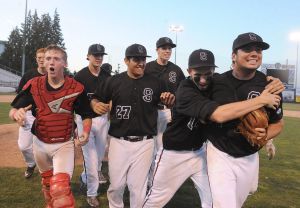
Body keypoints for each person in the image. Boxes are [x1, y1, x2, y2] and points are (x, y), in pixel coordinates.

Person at [143, 49, 282, 208]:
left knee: (213, 201)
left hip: (201, 153)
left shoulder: (218, 82)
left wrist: (269, 80)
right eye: (198, 74)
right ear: (189, 71)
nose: (203, 80)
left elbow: (237, 82)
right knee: (155, 200)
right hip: (174, 154)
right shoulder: (185, 90)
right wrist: (261, 100)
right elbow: (219, 115)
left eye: (207, 74)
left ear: (213, 71)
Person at [90, 43, 175, 208]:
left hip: (145, 142)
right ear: (126, 60)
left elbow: (167, 101)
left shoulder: (156, 83)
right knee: (116, 186)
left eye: (143, 59)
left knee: (138, 188)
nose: (141, 63)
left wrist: (169, 101)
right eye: (136, 59)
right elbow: (95, 97)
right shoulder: (113, 81)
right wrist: (94, 104)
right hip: (118, 141)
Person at [205, 32, 284, 208]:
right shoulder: (217, 82)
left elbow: (278, 123)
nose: (255, 53)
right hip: (219, 151)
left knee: (236, 202)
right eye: (248, 49)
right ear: (234, 56)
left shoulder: (270, 86)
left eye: (258, 50)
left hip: (249, 155)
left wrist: (265, 135)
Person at [9, 44, 92, 208]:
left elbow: (87, 115)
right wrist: (16, 114)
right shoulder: (34, 85)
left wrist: (86, 132)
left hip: (64, 144)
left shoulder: (76, 88)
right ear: (44, 63)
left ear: (65, 64)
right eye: (48, 58)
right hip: (39, 144)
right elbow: (14, 109)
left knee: (60, 191)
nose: (51, 62)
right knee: (48, 187)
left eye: (56, 58)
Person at [74, 43, 110, 207]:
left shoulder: (106, 75)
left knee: (99, 158)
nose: (99, 57)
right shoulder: (80, 76)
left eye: (101, 54)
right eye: (95, 54)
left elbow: (111, 96)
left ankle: (84, 178)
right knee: (91, 159)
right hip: (84, 120)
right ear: (88, 56)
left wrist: (109, 105)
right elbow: (76, 101)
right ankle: (91, 193)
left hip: (102, 120)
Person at [145, 37, 185, 150]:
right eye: (164, 48)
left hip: (167, 111)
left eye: (170, 48)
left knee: (163, 145)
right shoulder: (148, 68)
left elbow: (183, 91)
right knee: (148, 145)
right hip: (149, 111)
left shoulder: (176, 70)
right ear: (157, 50)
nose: (168, 51)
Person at [15, 48, 46, 178]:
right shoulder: (28, 75)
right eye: (38, 57)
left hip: (46, 115)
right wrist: (19, 113)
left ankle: (47, 170)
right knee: (23, 146)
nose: (41, 60)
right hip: (29, 113)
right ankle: (31, 163)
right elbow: (20, 96)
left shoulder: (54, 75)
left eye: (43, 57)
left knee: (45, 147)